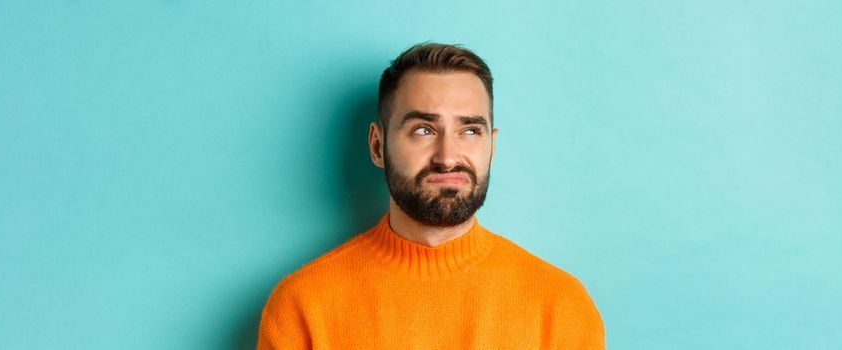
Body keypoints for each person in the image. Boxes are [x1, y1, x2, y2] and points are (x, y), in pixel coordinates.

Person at [256, 42, 606, 349]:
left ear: (492, 146)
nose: (448, 156)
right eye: (423, 129)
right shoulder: (302, 307)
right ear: (378, 147)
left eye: (470, 130)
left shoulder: (562, 307)